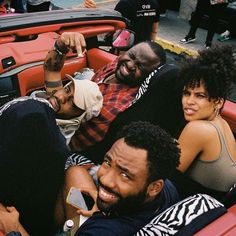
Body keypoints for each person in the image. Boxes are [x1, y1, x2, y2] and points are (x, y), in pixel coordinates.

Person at [52, 32, 166, 152]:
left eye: (140, 67)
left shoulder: (115, 106)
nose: (130, 65)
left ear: (146, 78)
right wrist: (60, 46)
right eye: (131, 55)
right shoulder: (116, 64)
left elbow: (71, 145)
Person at [176, 45, 236, 196]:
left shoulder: (198, 129)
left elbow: (166, 178)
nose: (189, 101)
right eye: (186, 93)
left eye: (200, 96)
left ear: (219, 102)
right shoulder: (222, 124)